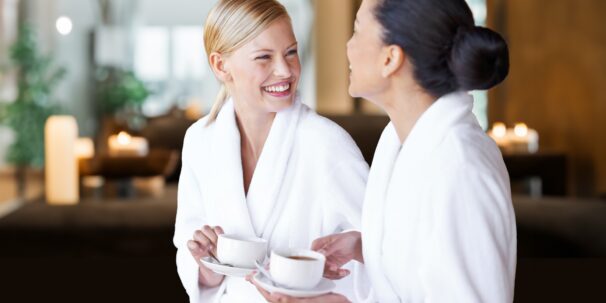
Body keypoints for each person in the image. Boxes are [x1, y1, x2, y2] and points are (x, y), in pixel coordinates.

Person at [251, 0, 516, 302]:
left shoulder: (459, 167)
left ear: (390, 58)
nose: (348, 47)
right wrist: (368, 249)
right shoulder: (399, 141)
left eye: (357, 30)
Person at [173, 0, 369, 302]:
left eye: (291, 52)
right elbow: (187, 244)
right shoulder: (200, 141)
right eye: (264, 57)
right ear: (220, 65)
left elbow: (383, 254)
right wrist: (206, 267)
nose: (285, 70)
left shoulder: (326, 143)